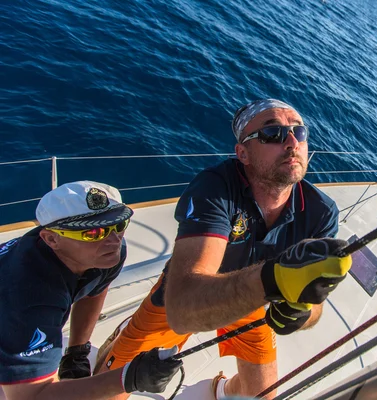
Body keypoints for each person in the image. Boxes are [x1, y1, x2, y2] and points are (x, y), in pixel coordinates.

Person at [94, 99, 352, 399]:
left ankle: (223, 390)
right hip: (184, 294)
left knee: (263, 395)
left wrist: (302, 312)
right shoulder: (216, 187)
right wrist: (274, 281)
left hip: (253, 302)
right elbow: (183, 309)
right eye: (273, 134)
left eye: (299, 132)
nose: (292, 141)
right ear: (243, 153)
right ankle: (120, 340)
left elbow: (315, 303)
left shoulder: (322, 212)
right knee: (109, 388)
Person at [0, 181, 182, 400]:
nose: (114, 240)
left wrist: (76, 352)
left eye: (120, 224)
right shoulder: (31, 300)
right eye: (94, 232)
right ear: (51, 239)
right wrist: (128, 378)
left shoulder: (104, 255)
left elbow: (94, 290)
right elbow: (29, 397)